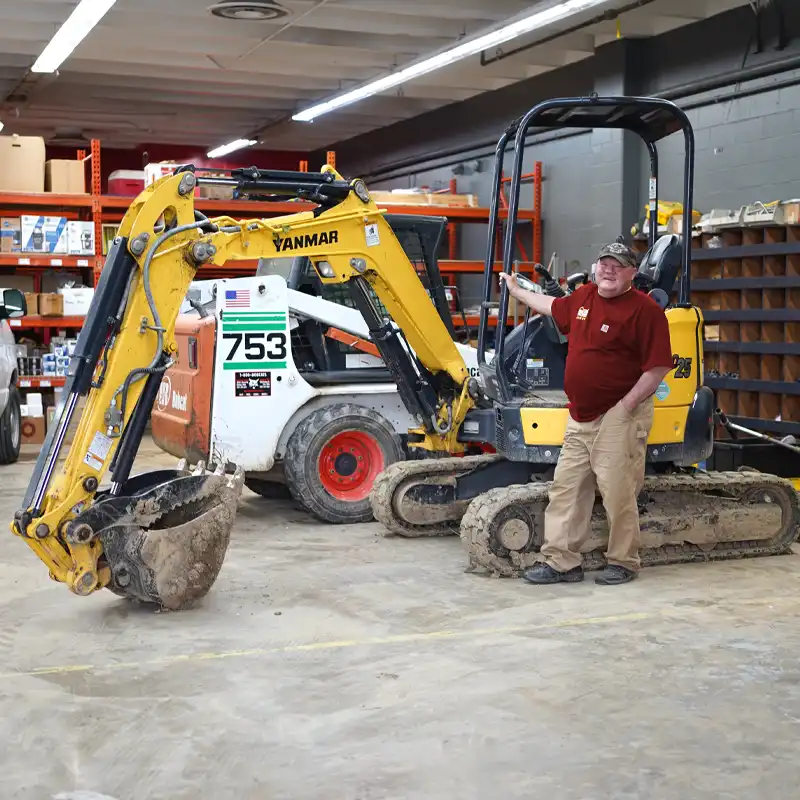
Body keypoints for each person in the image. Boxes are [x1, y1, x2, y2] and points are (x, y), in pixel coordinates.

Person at [499, 241, 674, 586]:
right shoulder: (584, 297)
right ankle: (562, 562)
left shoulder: (645, 311)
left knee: (617, 489)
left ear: (631, 274)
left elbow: (657, 368)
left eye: (618, 265)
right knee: (567, 488)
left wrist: (626, 407)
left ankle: (624, 561)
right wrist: (518, 291)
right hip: (580, 414)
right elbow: (552, 306)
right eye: (604, 263)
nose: (608, 270)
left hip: (619, 412)